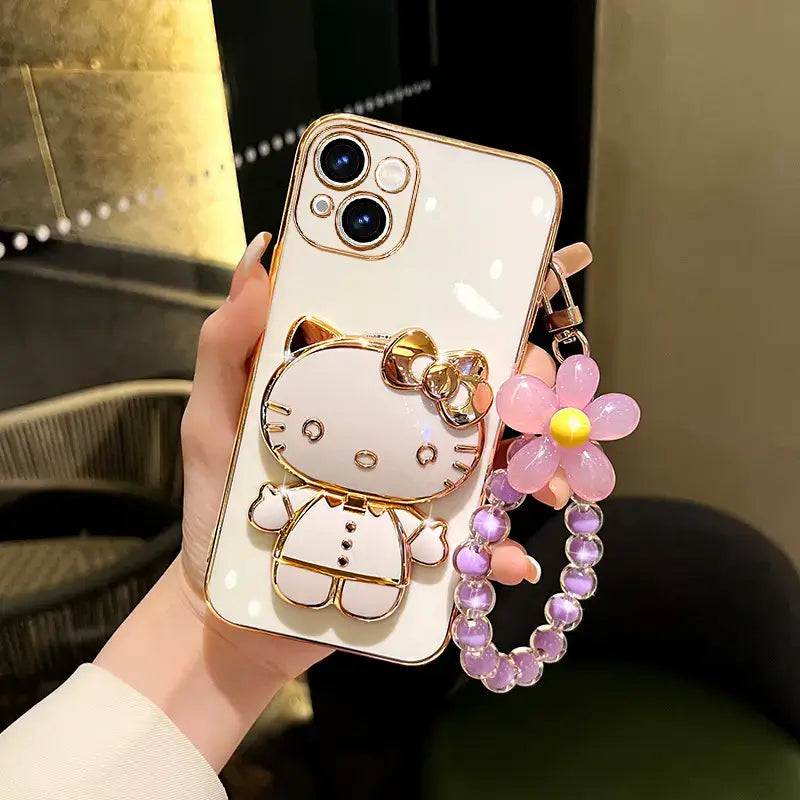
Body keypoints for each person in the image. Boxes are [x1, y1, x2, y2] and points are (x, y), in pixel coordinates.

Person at [0, 235, 592, 799]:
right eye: (315, 428)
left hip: (367, 573)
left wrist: (214, 630)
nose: (365, 453)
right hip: (308, 564)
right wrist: (213, 613)